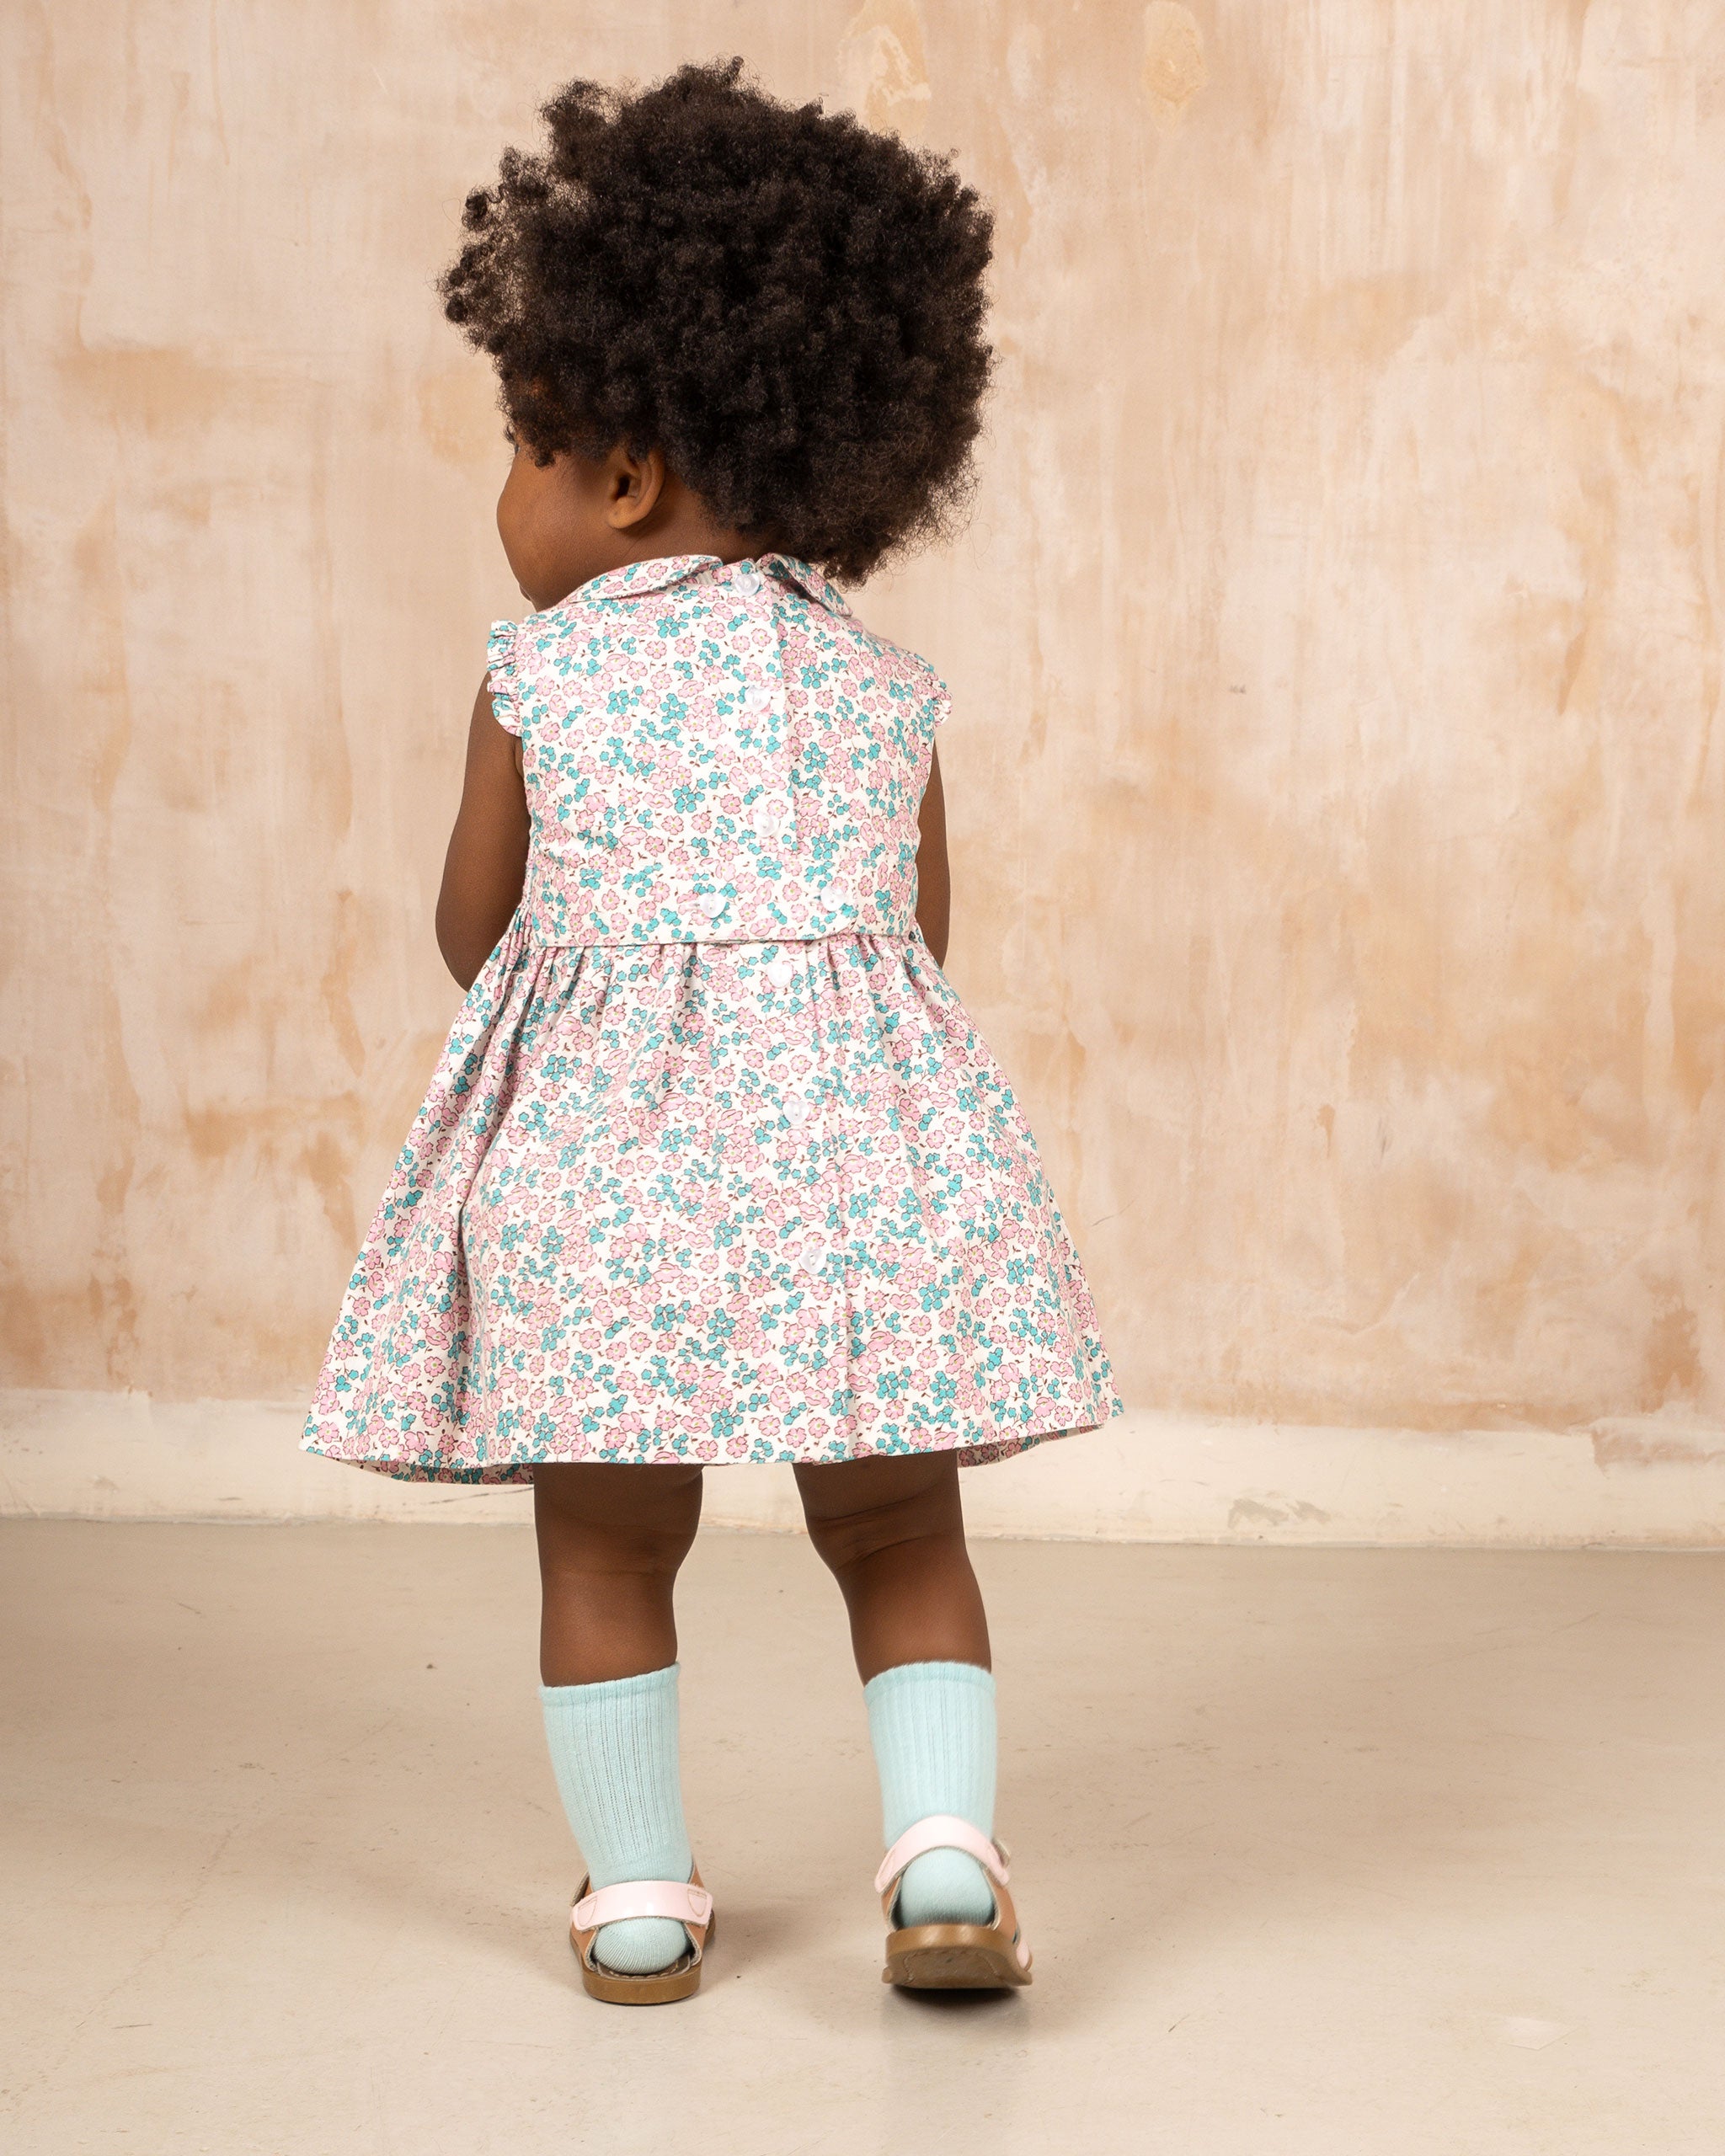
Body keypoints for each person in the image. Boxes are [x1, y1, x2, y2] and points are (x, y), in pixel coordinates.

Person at [302, 57, 1118, 2004]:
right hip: (858, 1168)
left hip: (603, 1178)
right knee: (897, 1512)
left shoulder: (534, 675)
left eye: (523, 439)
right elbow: (913, 943)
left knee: (604, 1534)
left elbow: (468, 929)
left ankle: (645, 1900)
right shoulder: (878, 677)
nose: (506, 490)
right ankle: (937, 1861)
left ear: (628, 473)